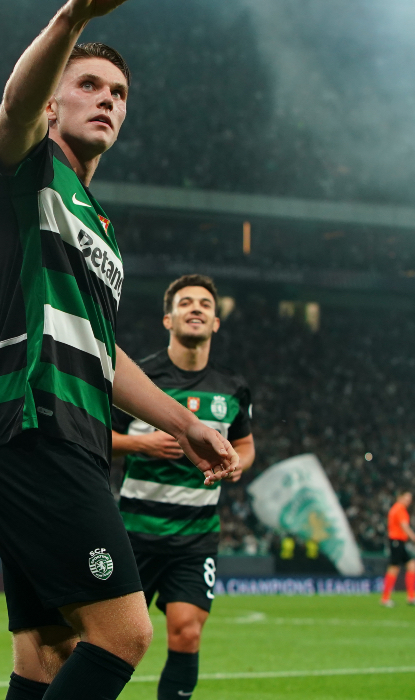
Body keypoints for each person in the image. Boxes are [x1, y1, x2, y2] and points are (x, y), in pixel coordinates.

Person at [0, 0, 239, 700]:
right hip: (36, 425)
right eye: (89, 87)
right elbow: (16, 104)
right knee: (125, 633)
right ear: (56, 101)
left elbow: (106, 353)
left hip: (70, 436)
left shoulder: (100, 224)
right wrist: (73, 19)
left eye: (118, 95)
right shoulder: (28, 172)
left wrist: (185, 424)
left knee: (46, 650)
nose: (107, 101)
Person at [111, 274, 255, 700]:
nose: (196, 308)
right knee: (115, 640)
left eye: (205, 305)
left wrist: (236, 465)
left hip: (196, 538)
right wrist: (144, 443)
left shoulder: (233, 387)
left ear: (215, 323)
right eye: (186, 302)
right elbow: (96, 436)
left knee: (187, 633)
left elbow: (246, 447)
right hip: (134, 534)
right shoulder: (138, 378)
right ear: (168, 319)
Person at [379, 490, 415, 608]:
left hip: (398, 542)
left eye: (410, 499)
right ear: (399, 497)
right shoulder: (399, 509)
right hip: (396, 542)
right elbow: (404, 526)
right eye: (406, 498)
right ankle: (385, 599)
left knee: (412, 566)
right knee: (394, 568)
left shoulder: (396, 509)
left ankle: (411, 597)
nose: (408, 501)